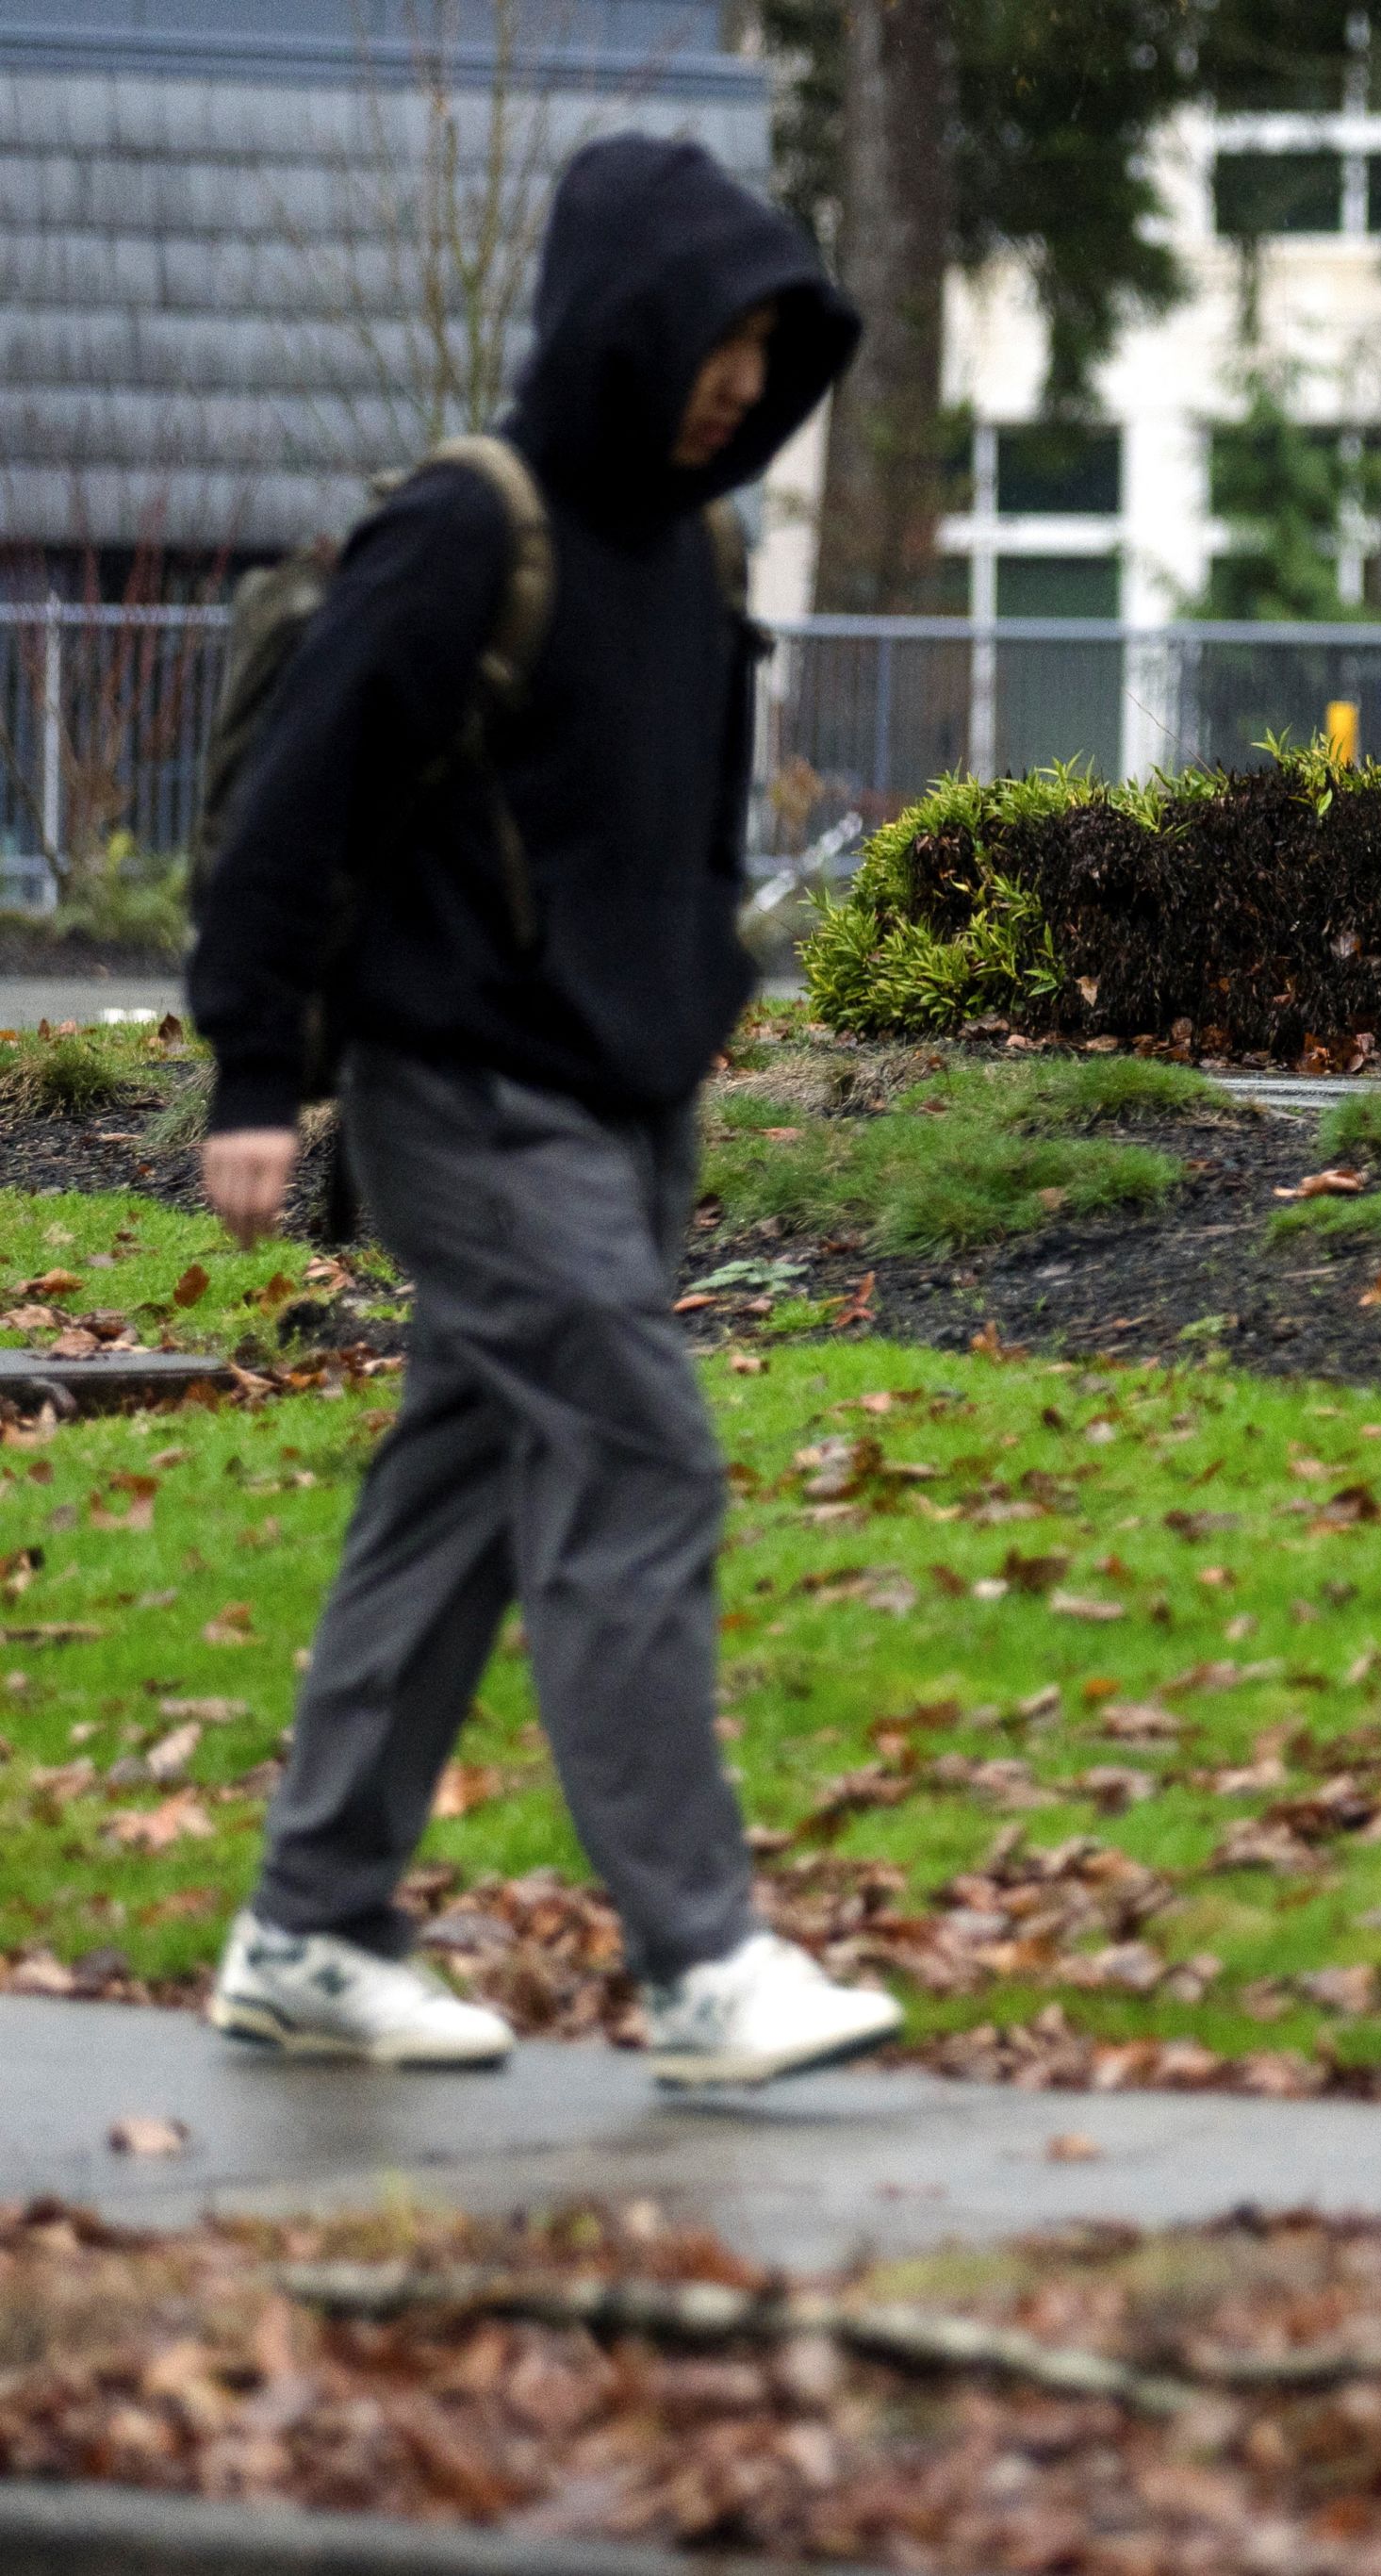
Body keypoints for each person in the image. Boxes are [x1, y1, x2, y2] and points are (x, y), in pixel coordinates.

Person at [184, 136, 902, 2089]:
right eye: (718, 341)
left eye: (771, 348)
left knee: (466, 1498)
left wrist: (691, 1017)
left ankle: (310, 1926)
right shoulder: (463, 531)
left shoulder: (698, 553)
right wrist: (259, 1070)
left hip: (618, 1107)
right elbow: (291, 815)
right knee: (640, 1462)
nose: (743, 383)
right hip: (465, 1098)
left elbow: (668, 843)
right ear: (624, 323)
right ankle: (701, 1961)